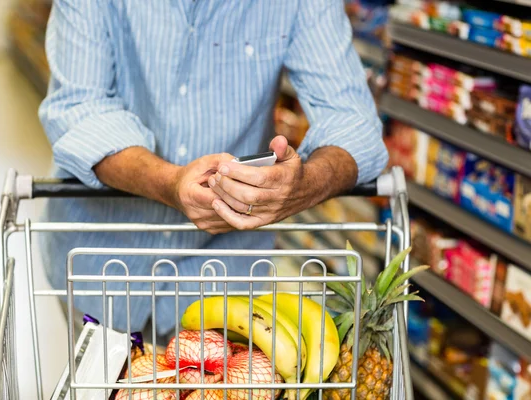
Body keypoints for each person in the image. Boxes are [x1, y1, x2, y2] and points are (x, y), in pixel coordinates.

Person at [37, 0, 388, 345]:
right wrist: (168, 182)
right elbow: (80, 105)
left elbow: (351, 119)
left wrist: (305, 183)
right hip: (101, 268)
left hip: (224, 279)